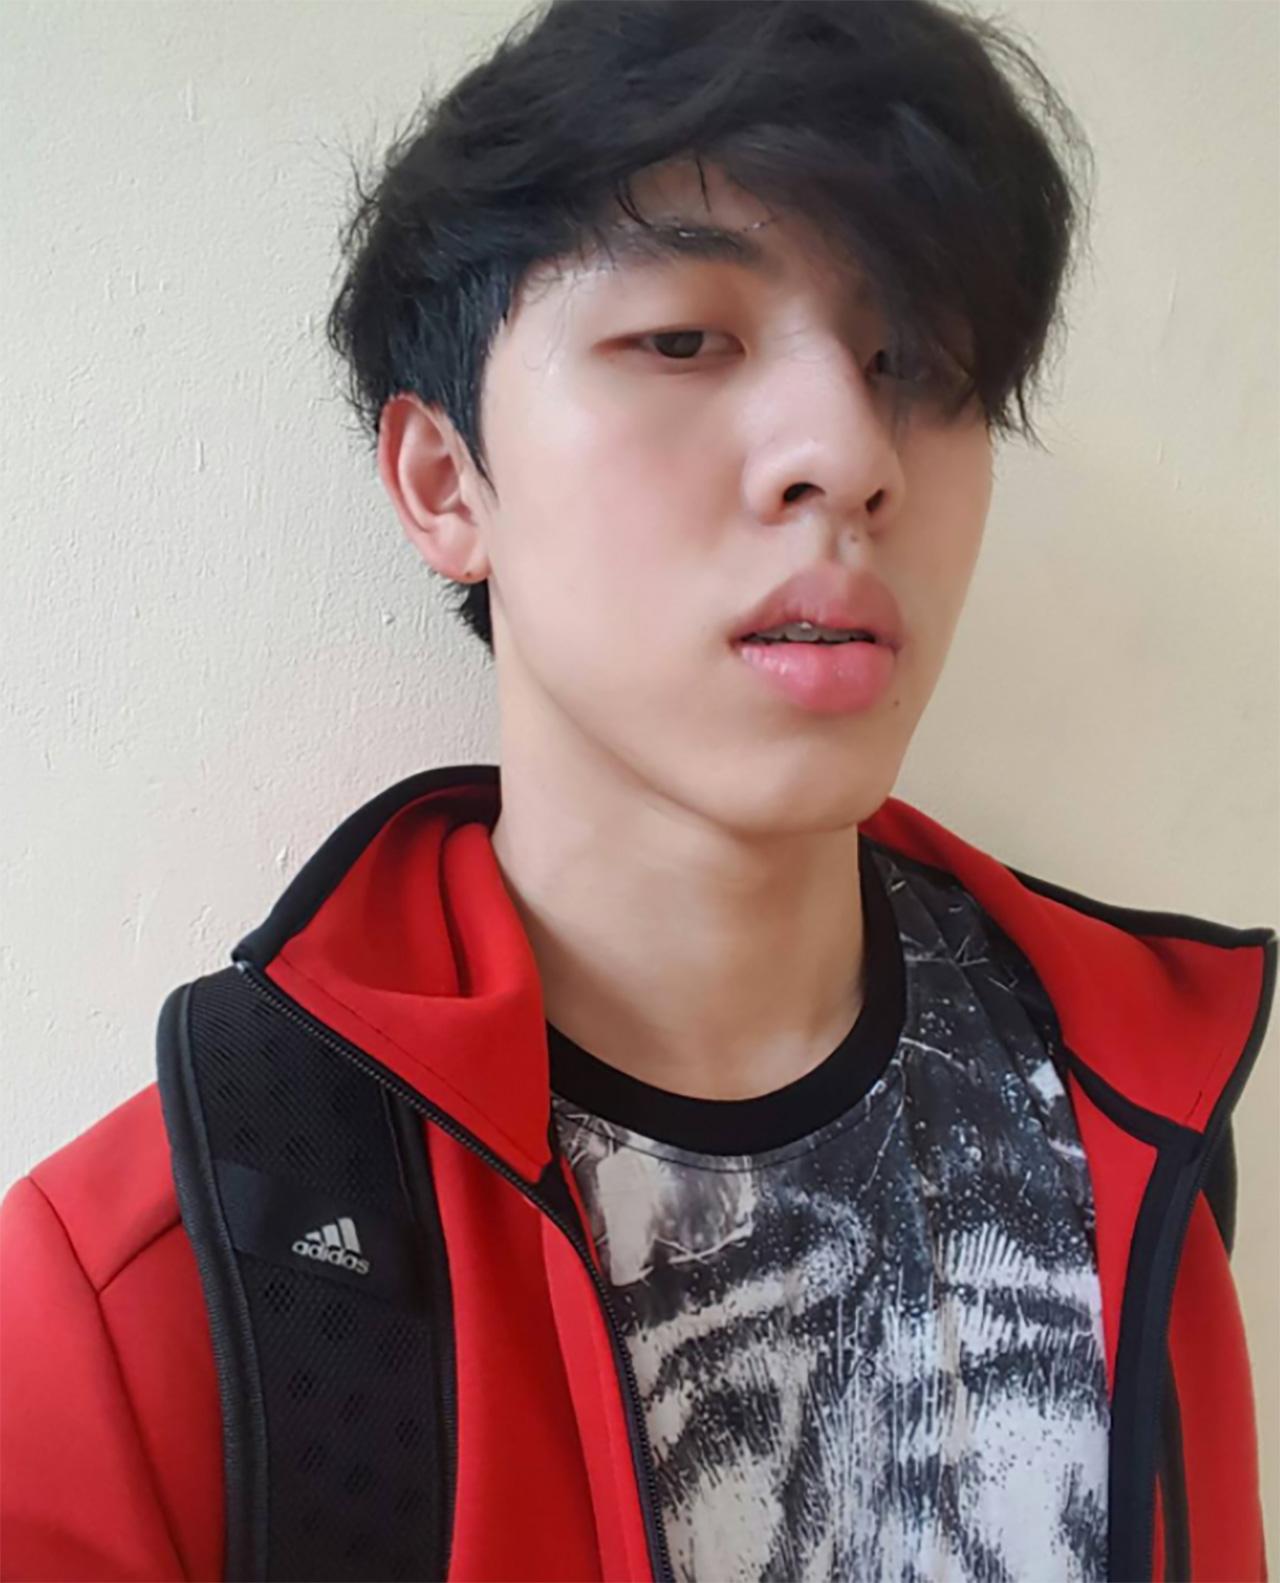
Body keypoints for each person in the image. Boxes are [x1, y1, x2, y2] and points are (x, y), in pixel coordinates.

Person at [1, 3, 1273, 1580]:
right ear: (445, 483)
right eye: (683, 339)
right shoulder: (155, 1298)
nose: (848, 452)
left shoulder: (1136, 1118)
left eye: (917, 360)